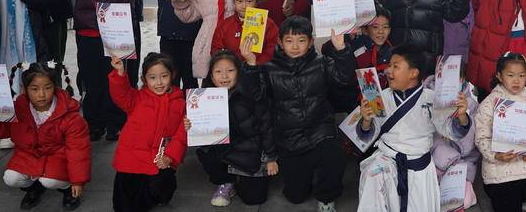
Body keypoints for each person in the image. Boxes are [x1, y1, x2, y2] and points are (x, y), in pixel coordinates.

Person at [245, 16, 355, 211]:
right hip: (289, 138)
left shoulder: (321, 63)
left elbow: (344, 79)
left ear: (311, 42)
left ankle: (326, 198)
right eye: (289, 40)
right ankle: (308, 175)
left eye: (301, 40)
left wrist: (341, 50)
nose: (295, 46)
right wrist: (251, 65)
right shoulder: (269, 69)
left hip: (320, 131)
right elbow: (255, 96)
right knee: (296, 196)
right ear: (280, 42)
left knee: (334, 156)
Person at [48, 0, 148, 142]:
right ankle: (94, 123)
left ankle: (116, 124)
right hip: (89, 37)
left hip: (116, 39)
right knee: (92, 80)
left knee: (117, 81)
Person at [355, 45, 472, 212]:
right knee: (373, 175)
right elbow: (367, 136)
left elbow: (450, 131)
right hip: (387, 161)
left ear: (413, 73)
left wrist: (461, 116)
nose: (388, 70)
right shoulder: (381, 98)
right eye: (389, 65)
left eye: (395, 66)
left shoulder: (432, 99)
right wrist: (366, 121)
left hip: (419, 168)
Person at [0, 62, 90, 211]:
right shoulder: (17, 109)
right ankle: (34, 187)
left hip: (58, 156)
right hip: (28, 155)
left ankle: (67, 188)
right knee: (11, 178)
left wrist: (78, 181)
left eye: (47, 88)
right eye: (34, 89)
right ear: (25, 89)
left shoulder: (70, 116)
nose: (41, 94)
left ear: (55, 87)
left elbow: (78, 151)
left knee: (50, 181)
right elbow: (1, 130)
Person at [189, 49, 277, 207]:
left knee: (254, 198)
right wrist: (191, 125)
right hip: (224, 152)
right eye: (218, 71)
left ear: (239, 73)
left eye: (230, 71)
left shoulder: (251, 93)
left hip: (249, 151)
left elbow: (266, 125)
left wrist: (270, 158)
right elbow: (200, 133)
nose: (224, 76)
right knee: (205, 151)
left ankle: (241, 178)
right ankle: (226, 181)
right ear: (211, 76)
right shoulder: (204, 98)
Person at [171, 0, 273, 81]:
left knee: (243, 77)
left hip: (240, 39)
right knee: (214, 80)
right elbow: (188, 15)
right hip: (210, 44)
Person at [474, 53, 526, 212]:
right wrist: (495, 155)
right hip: (500, 167)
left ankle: (522, 198)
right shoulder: (489, 103)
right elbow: (481, 136)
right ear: (499, 76)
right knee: (507, 204)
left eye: (521, 75)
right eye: (510, 75)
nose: (516, 80)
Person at [109, 52, 187, 212]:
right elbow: (121, 94)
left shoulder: (180, 102)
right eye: (152, 78)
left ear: (172, 75)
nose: (159, 82)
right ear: (144, 79)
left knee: (160, 191)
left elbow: (181, 136)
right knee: (123, 205)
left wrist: (170, 157)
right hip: (131, 159)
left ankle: (160, 192)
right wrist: (120, 73)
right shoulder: (136, 98)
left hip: (159, 160)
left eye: (164, 76)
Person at [424, 61, 480, 209]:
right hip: (433, 158)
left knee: (461, 201)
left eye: (455, 77)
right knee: (428, 199)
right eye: (443, 77)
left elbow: (470, 145)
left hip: (460, 160)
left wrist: (462, 117)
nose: (448, 82)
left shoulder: (470, 102)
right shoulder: (426, 96)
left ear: (462, 79)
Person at [143, 0, 201, 89]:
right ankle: (172, 103)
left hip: (191, 39)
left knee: (190, 79)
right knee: (170, 77)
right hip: (168, 39)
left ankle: (190, 104)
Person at [212, 0, 278, 65]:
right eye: (239, 1)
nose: (244, 6)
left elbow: (273, 49)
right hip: (232, 69)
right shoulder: (225, 25)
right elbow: (216, 49)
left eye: (249, 1)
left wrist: (256, 64)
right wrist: (230, 65)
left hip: (260, 69)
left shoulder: (268, 24)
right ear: (233, 1)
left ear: (257, 1)